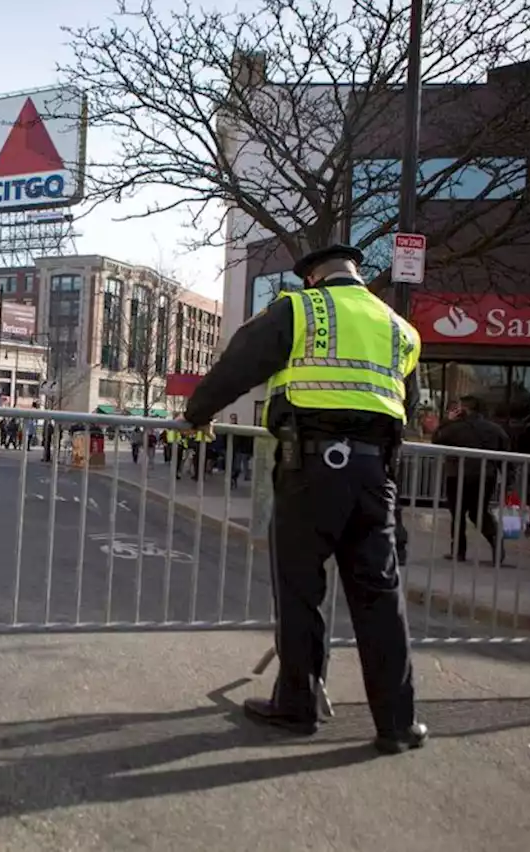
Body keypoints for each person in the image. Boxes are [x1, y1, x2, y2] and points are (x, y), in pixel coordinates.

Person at [181, 244, 427, 755]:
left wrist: (197, 413)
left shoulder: (301, 308)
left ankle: (298, 705)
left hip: (311, 469)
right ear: (358, 275)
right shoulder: (400, 329)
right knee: (380, 598)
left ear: (314, 276)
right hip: (375, 474)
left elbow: (239, 366)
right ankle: (398, 725)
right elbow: (410, 406)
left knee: (300, 591)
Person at [431, 395, 511, 565]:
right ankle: (496, 540)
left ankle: (458, 551)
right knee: (479, 511)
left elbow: (436, 440)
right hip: (485, 475)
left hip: (457, 475)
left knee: (458, 513)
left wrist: (447, 421)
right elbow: (506, 456)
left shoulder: (454, 428)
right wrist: (507, 480)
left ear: (464, 409)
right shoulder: (495, 429)